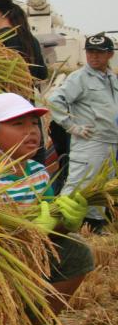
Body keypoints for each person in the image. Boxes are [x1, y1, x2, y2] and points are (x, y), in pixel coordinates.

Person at [0, 93, 96, 325]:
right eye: (18, 125)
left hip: (31, 253)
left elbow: (52, 229)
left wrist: (67, 223)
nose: (32, 132)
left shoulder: (37, 172)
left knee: (78, 251)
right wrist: (27, 230)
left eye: (34, 124)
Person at [47, 33, 118, 229]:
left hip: (110, 141)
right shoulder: (79, 78)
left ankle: (93, 226)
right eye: (90, 52)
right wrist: (71, 126)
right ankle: (58, 225)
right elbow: (54, 101)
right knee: (79, 184)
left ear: (110, 54)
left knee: (100, 187)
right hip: (90, 142)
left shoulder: (111, 78)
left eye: (99, 52)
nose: (94, 56)